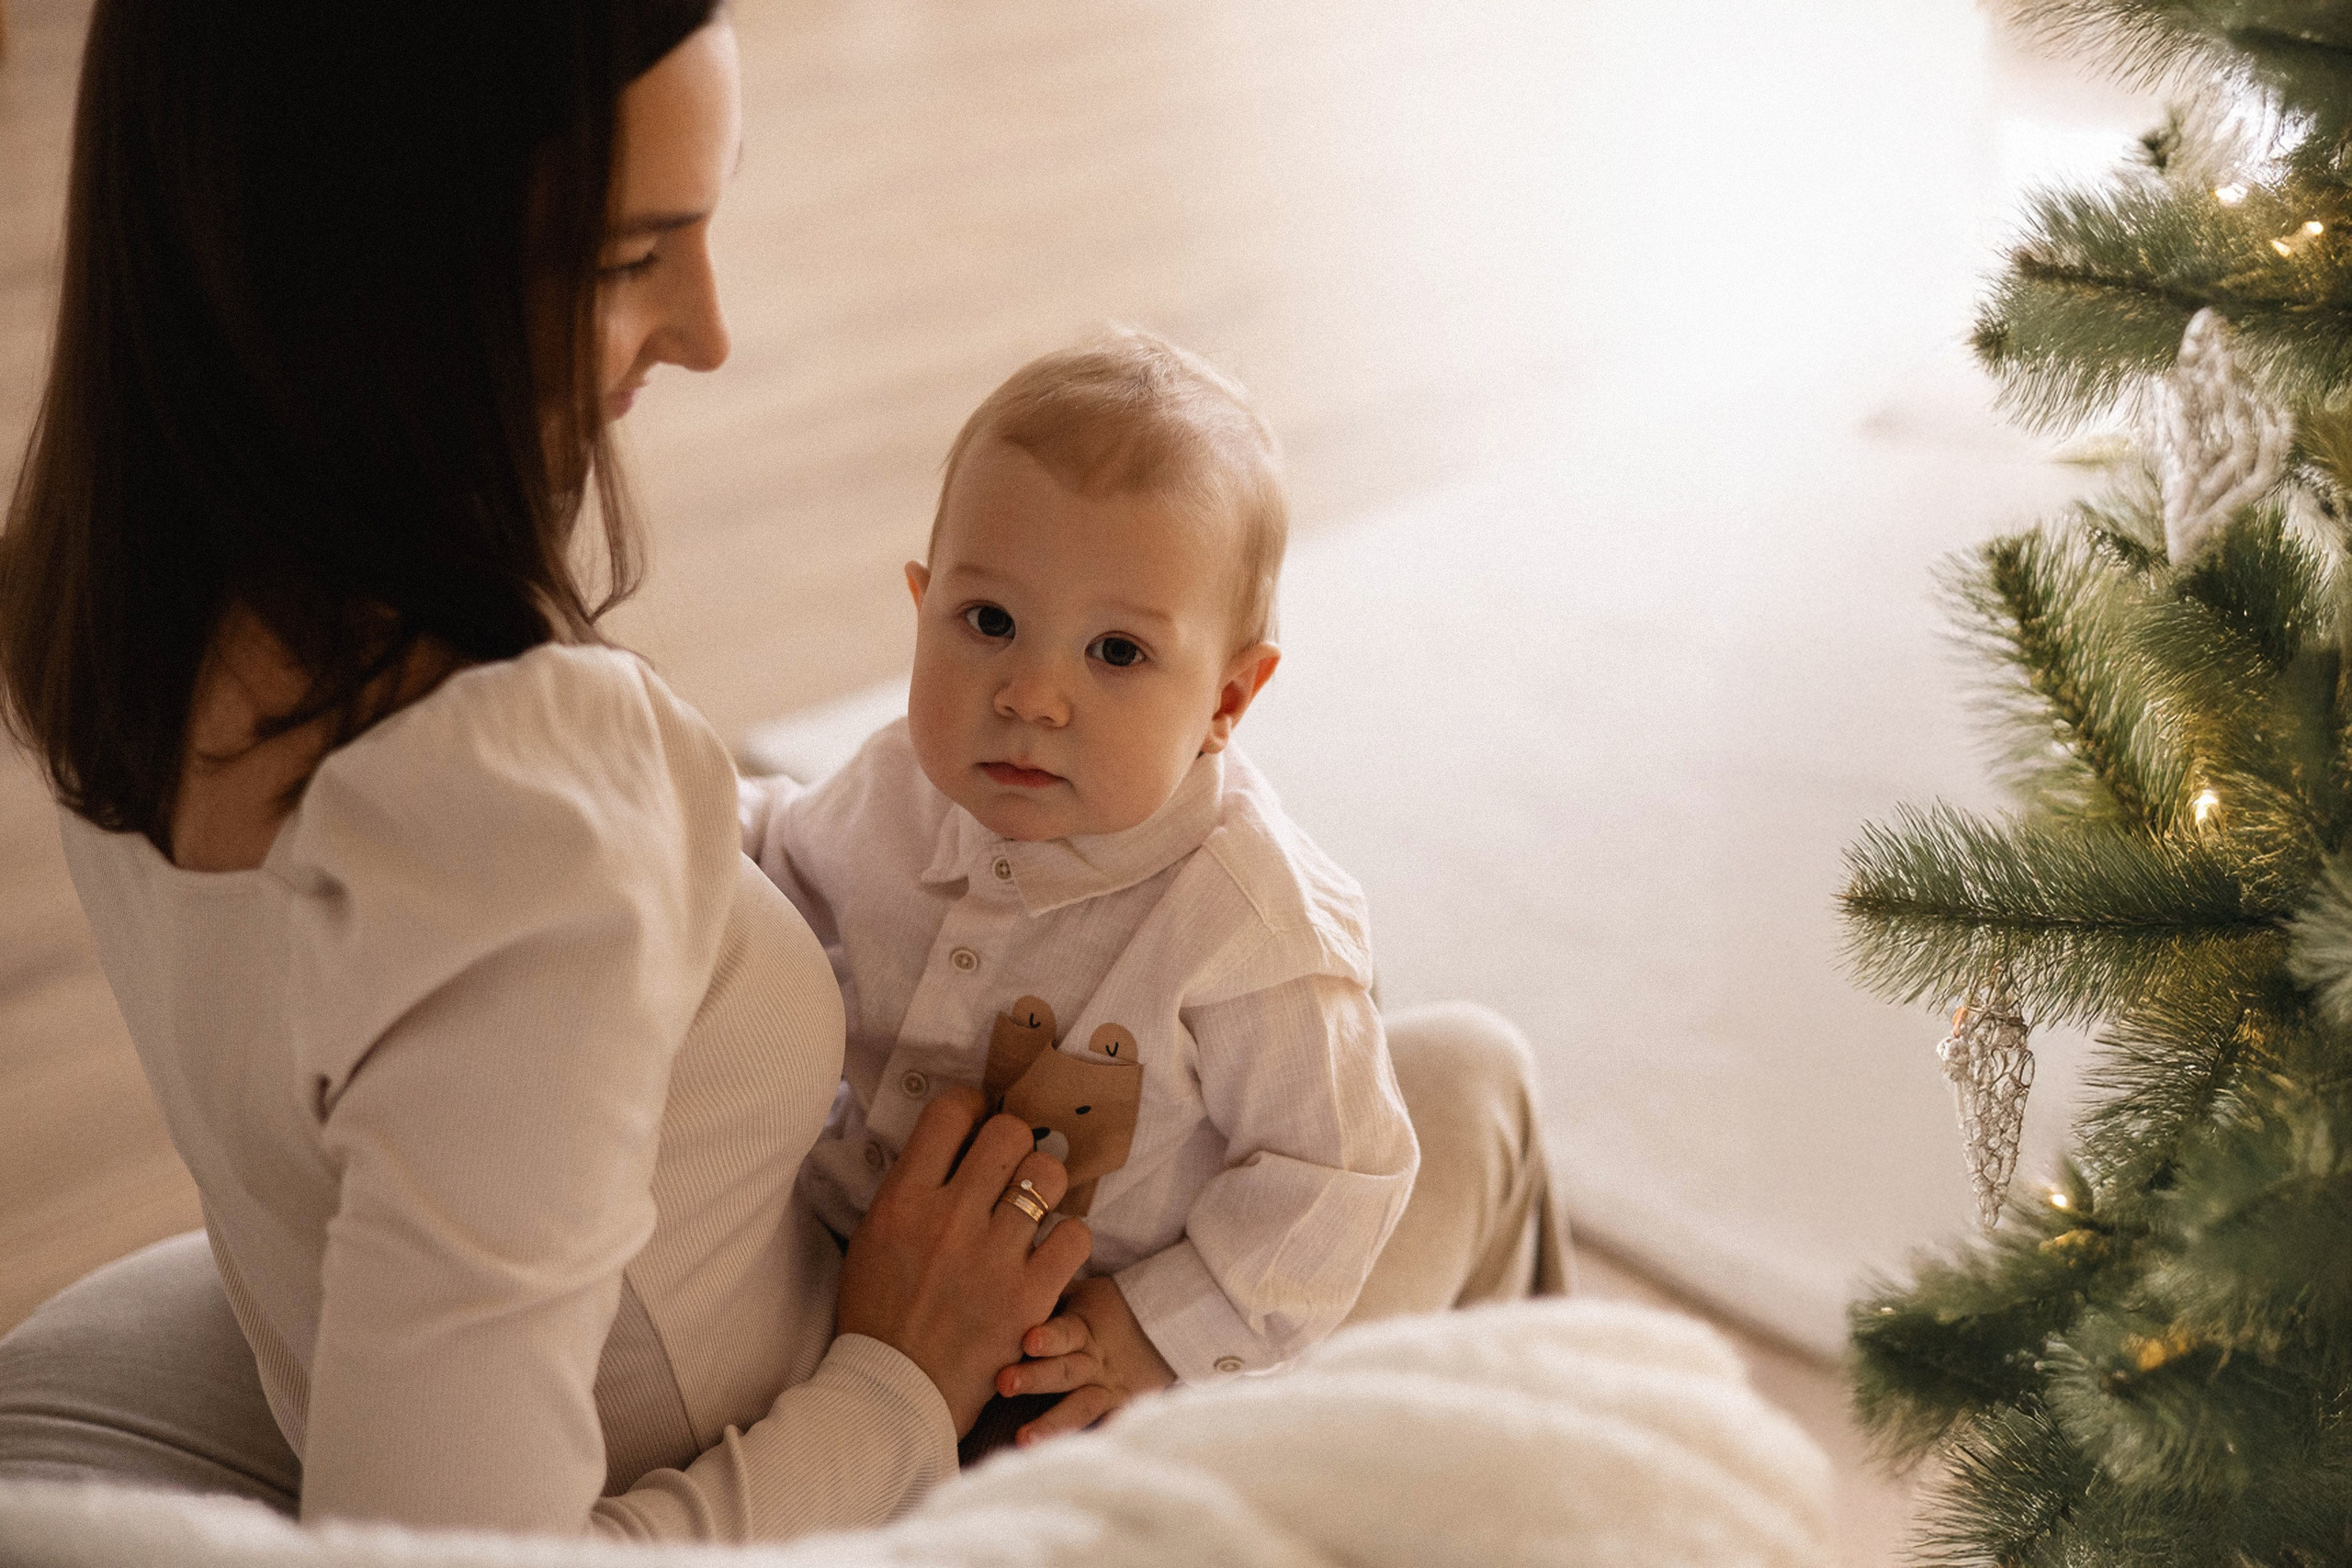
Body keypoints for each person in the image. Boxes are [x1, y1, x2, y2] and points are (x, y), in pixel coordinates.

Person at [0, 0, 1566, 1545]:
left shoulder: (113, 588)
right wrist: (899, 1372)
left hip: (676, 1322)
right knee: (1475, 1085)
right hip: (878, 1438)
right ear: (377, 262)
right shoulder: (516, 817)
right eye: (629, 256)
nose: (708, 328)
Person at [740, 332, 1418, 1453]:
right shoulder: (896, 786)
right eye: (989, 623)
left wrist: (1154, 1331)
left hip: (1073, 1365)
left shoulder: (1250, 926)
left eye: (1114, 652)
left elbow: (1338, 1176)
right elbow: (779, 862)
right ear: (921, 606)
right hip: (831, 1273)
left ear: (1228, 700)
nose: (1032, 695)